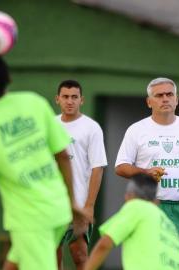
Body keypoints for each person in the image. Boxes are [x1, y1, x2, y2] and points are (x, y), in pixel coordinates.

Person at [0, 56, 87, 270]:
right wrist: (72, 202)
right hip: (59, 208)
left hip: (30, 221)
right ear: (9, 80)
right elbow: (62, 155)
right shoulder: (33, 102)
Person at [115, 77, 179, 270]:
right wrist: (145, 172)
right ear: (149, 101)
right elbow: (121, 166)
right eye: (159, 95)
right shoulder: (136, 130)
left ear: (176, 99)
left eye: (169, 94)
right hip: (151, 207)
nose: (165, 99)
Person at [55, 79, 107, 269]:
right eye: (66, 97)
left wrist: (89, 206)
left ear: (81, 100)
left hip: (79, 204)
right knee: (53, 257)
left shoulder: (91, 128)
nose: (70, 101)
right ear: (57, 99)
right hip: (53, 204)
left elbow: (97, 168)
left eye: (74, 97)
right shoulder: (51, 125)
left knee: (80, 255)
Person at [84, 173, 179, 270]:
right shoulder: (170, 225)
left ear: (129, 196)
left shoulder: (136, 206)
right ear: (156, 201)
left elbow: (104, 245)